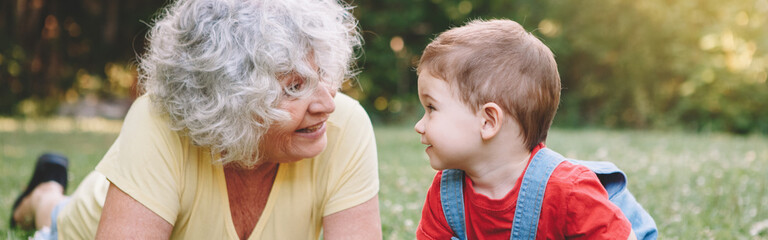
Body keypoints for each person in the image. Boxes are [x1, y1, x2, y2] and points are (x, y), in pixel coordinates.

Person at [10, 0, 382, 239]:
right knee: (56, 215)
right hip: (89, 217)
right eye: (295, 86)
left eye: (322, 75)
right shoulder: (158, 121)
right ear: (227, 98)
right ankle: (43, 195)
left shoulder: (344, 126)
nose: (326, 105)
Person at [413, 19, 637, 239]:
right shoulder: (446, 195)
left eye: (431, 107)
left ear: (488, 121)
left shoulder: (568, 191)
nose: (419, 126)